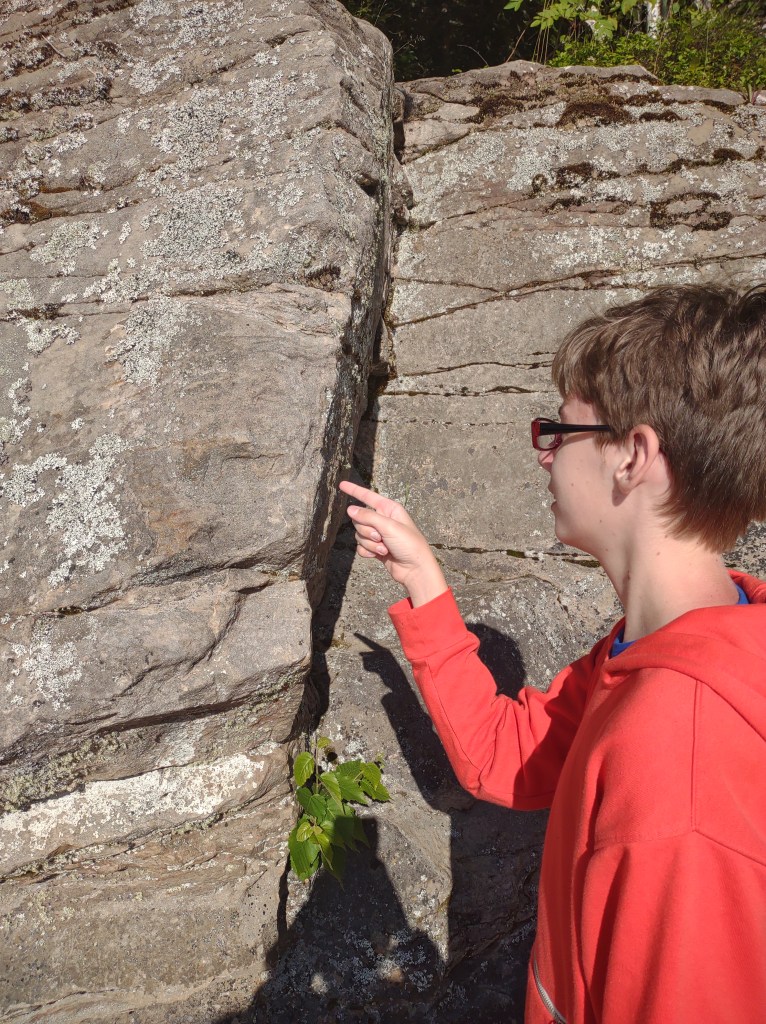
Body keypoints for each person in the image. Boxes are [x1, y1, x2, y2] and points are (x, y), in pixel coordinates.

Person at [338, 284, 766, 1024]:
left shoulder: (680, 765)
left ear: (633, 455)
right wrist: (425, 587)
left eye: (558, 431)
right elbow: (511, 757)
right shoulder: (667, 649)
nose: (543, 456)